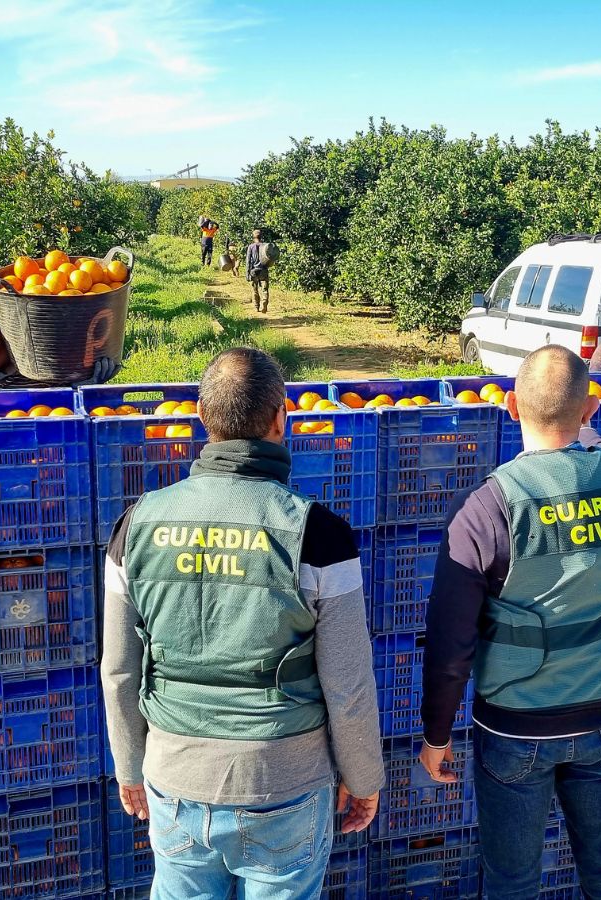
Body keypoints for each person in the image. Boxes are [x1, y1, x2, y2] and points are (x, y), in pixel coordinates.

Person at [101, 347, 384, 899]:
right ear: (281, 418)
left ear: (203, 420)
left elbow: (118, 670)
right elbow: (348, 683)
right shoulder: (318, 533)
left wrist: (130, 765)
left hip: (175, 775)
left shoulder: (136, 525)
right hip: (283, 781)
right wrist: (364, 777)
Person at [418, 344, 601, 900]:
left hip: (516, 728)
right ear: (591, 409)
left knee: (513, 882)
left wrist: (436, 733)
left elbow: (452, 643)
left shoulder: (487, 507)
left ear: (510, 407)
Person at [245, 229, 272, 313]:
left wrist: (247, 274)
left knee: (255, 290)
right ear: (261, 237)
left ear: (253, 237)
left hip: (254, 271)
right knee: (265, 289)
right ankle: (264, 302)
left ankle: (257, 306)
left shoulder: (251, 247)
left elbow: (248, 261)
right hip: (263, 270)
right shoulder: (265, 246)